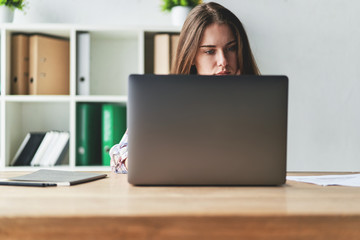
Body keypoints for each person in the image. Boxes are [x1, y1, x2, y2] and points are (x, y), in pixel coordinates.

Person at [109, 2, 260, 173]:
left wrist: (241, 100)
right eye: (210, 51)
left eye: (231, 48)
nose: (223, 61)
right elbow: (118, 160)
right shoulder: (165, 99)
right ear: (192, 56)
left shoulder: (260, 100)